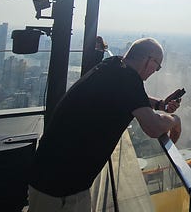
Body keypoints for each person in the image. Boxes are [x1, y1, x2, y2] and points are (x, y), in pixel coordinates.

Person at [27, 38, 182, 211]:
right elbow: (153, 127)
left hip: (47, 171)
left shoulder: (113, 64)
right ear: (148, 59)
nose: (155, 71)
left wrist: (161, 105)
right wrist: (175, 120)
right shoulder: (129, 81)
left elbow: (134, 98)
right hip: (63, 188)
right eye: (157, 66)